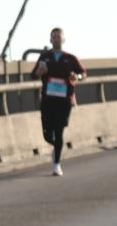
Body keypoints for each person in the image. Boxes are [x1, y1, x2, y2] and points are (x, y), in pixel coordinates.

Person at [31, 28, 86, 176]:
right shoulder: (44, 57)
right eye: (53, 37)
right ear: (50, 40)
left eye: (58, 36)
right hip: (48, 100)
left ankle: (57, 164)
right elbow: (33, 75)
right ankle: (56, 148)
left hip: (64, 100)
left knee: (59, 130)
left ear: (63, 39)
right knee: (48, 134)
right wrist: (39, 73)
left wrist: (77, 77)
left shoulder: (70, 58)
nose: (56, 39)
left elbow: (83, 73)